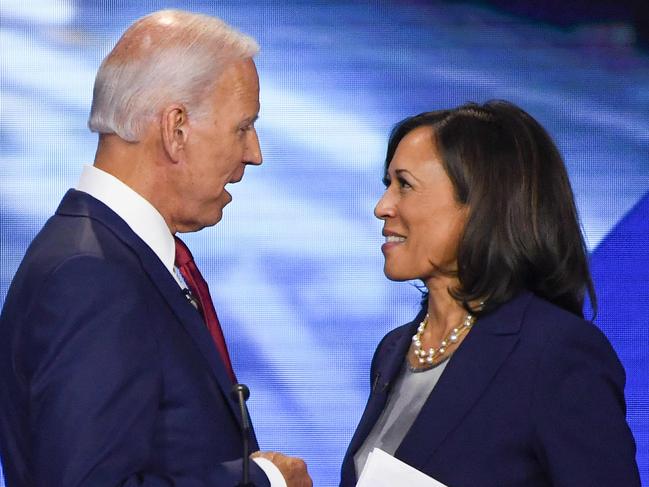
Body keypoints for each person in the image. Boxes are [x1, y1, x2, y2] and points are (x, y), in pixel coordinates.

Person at [0, 10, 311, 487]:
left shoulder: (110, 255)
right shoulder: (92, 274)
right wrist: (263, 481)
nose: (254, 152)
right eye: (242, 127)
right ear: (176, 128)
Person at [340, 101, 641, 486]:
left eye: (405, 185)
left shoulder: (554, 353)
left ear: (480, 204)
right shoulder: (394, 350)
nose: (382, 207)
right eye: (387, 185)